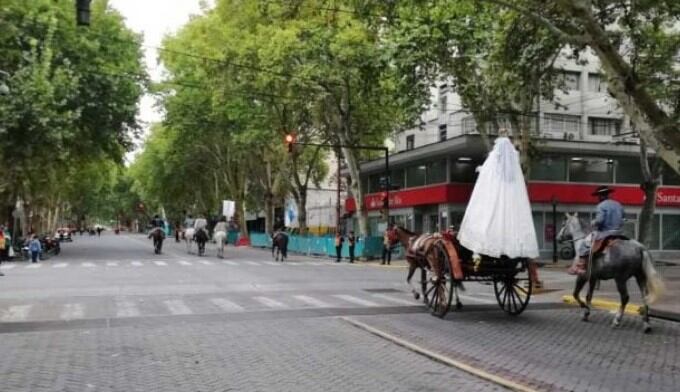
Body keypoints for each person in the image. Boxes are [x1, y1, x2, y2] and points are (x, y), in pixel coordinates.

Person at [569, 185, 625, 275]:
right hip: (619, 232)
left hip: (605, 233)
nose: (598, 198)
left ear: (602, 195)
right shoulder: (618, 204)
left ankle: (581, 266)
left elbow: (600, 220)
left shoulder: (601, 206)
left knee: (584, 243)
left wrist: (593, 222)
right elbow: (623, 220)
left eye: (598, 196)